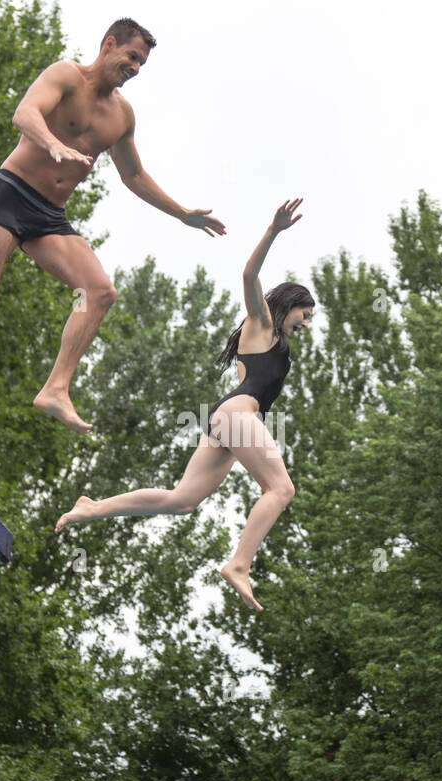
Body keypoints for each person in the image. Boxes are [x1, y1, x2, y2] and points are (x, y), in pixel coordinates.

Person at [0, 18, 225, 433]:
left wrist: (183, 213)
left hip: (49, 217)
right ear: (109, 44)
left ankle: (56, 389)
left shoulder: (122, 116)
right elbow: (24, 113)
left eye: (141, 65)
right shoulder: (66, 75)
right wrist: (52, 144)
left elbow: (134, 175)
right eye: (132, 57)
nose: (135, 69)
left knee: (100, 291)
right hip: (10, 194)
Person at [56, 199, 312, 611]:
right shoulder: (262, 321)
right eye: (304, 314)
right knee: (280, 488)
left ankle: (93, 507)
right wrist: (274, 231)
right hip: (236, 416)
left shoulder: (270, 339)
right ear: (288, 305)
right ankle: (239, 565)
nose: (305, 324)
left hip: (228, 421)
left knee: (182, 501)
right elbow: (249, 273)